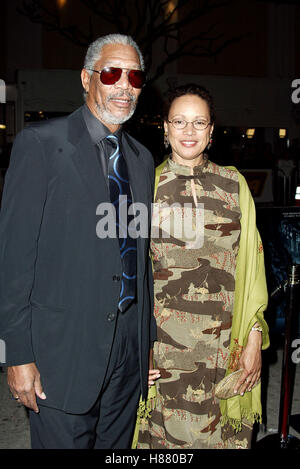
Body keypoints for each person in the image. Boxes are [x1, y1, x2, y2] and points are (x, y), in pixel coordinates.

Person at [0, 33, 156, 449]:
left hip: (127, 352)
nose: (125, 85)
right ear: (87, 78)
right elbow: (14, 261)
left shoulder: (142, 159)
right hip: (61, 351)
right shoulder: (41, 145)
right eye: (112, 73)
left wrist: (147, 343)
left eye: (135, 77)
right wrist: (17, 354)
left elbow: (140, 262)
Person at [136, 83, 269, 449]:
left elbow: (254, 270)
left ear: (211, 131)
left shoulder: (234, 185)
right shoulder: (146, 188)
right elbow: (130, 277)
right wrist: (134, 347)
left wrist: (254, 337)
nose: (189, 131)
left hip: (227, 348)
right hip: (164, 352)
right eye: (180, 121)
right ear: (164, 128)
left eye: (199, 122)